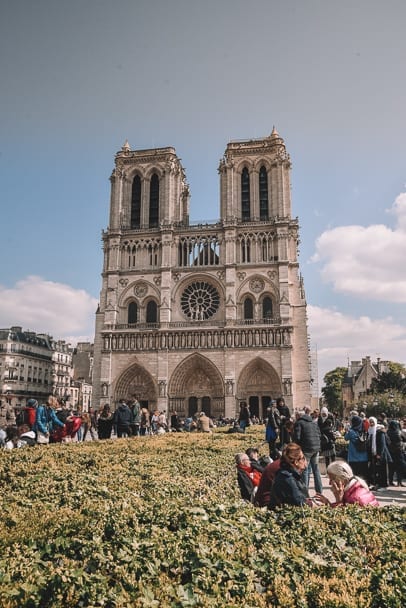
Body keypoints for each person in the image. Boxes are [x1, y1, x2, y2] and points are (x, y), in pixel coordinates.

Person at [315, 461, 379, 507]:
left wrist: (338, 500)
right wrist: (328, 504)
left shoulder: (354, 497)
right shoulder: (354, 487)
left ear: (342, 479)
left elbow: (344, 519)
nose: (329, 483)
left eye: (332, 479)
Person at [268, 443, 313, 508]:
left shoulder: (289, 473)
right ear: (296, 462)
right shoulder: (287, 477)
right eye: (303, 458)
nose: (305, 460)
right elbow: (299, 502)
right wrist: (311, 504)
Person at [293, 409, 323, 494]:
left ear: (298, 416)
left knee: (305, 470)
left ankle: (304, 493)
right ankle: (319, 492)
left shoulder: (299, 423)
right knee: (316, 470)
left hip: (306, 449)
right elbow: (319, 434)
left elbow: (297, 437)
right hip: (316, 448)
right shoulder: (313, 422)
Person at [344, 415, 369, 481]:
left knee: (354, 476)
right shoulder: (364, 431)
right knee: (363, 475)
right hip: (364, 457)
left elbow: (345, 438)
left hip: (353, 458)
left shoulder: (351, 432)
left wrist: (347, 431)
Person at [387, 419, 405, 487]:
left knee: (391, 467)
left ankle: (391, 481)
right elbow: (403, 439)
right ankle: (399, 482)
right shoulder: (399, 432)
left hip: (390, 452)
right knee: (399, 467)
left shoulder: (387, 432)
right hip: (399, 452)